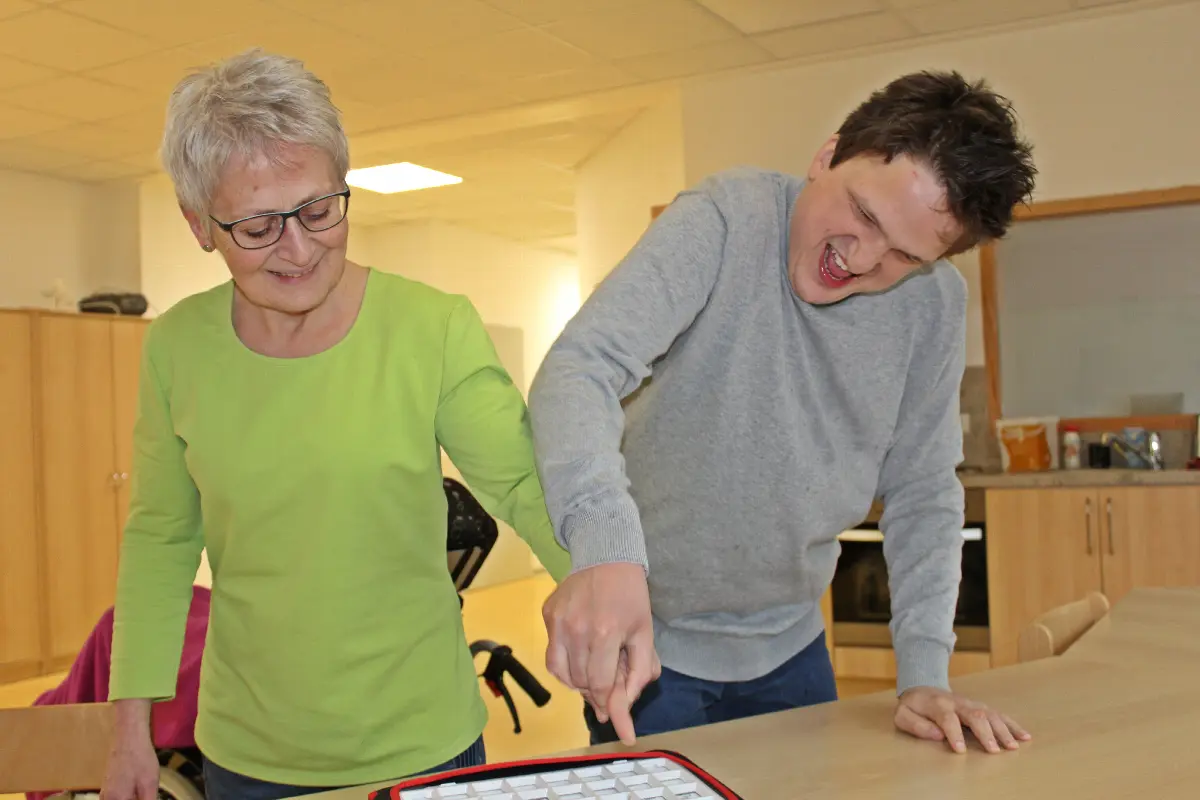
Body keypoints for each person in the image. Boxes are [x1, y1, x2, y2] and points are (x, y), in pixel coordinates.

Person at [101, 48, 572, 800]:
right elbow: (161, 536)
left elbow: (524, 483)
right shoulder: (177, 347)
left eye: (319, 210)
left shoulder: (430, 327)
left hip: (421, 747)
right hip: (246, 757)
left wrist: (596, 582)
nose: (299, 248)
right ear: (199, 224)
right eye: (257, 227)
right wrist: (129, 723)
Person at [528, 71, 1038, 755]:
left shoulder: (932, 305)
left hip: (793, 647)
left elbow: (922, 488)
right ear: (827, 156)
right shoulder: (726, 218)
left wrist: (924, 674)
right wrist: (605, 552)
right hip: (652, 644)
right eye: (863, 215)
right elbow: (580, 367)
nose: (860, 258)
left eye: (905, 256)